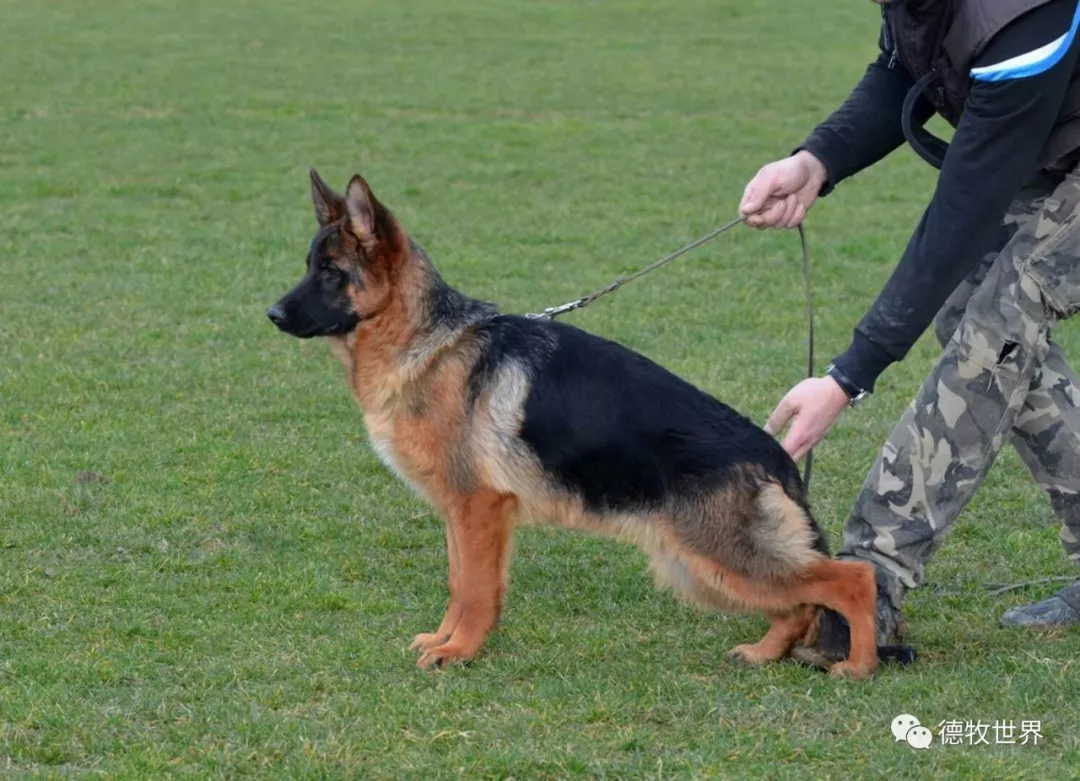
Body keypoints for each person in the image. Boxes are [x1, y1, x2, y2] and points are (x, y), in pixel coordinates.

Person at [740, 0, 1080, 658]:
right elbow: (905, 69)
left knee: (997, 325)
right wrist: (817, 160)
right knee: (968, 310)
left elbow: (963, 215)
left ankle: (869, 584)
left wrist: (847, 376)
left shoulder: (1019, 16)